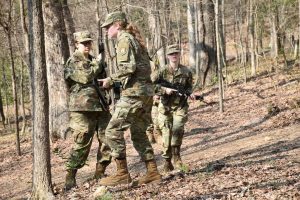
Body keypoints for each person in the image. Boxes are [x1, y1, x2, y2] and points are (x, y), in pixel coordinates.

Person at [99, 11, 162, 186]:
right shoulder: (134, 39)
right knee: (138, 133)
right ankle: (152, 172)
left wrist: (110, 80)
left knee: (111, 131)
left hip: (135, 93)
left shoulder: (124, 39)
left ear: (117, 25)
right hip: (145, 93)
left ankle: (122, 173)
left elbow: (128, 67)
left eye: (107, 27)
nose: (105, 31)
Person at [64, 30, 112, 190]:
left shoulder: (93, 60)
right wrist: (98, 63)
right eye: (84, 43)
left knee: (108, 138)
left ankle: (99, 173)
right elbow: (85, 77)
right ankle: (70, 178)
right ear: (76, 44)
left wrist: (108, 82)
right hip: (82, 108)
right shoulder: (73, 61)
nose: (87, 45)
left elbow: (100, 79)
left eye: (89, 42)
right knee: (82, 143)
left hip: (100, 106)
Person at [156, 44, 193, 172]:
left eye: (176, 53)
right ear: (167, 56)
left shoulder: (186, 71)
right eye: (171, 54)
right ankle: (167, 161)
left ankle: (177, 158)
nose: (174, 56)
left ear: (179, 54)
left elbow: (189, 88)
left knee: (177, 130)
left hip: (180, 106)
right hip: (165, 107)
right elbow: (150, 86)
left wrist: (191, 94)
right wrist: (164, 90)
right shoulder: (162, 71)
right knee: (166, 136)